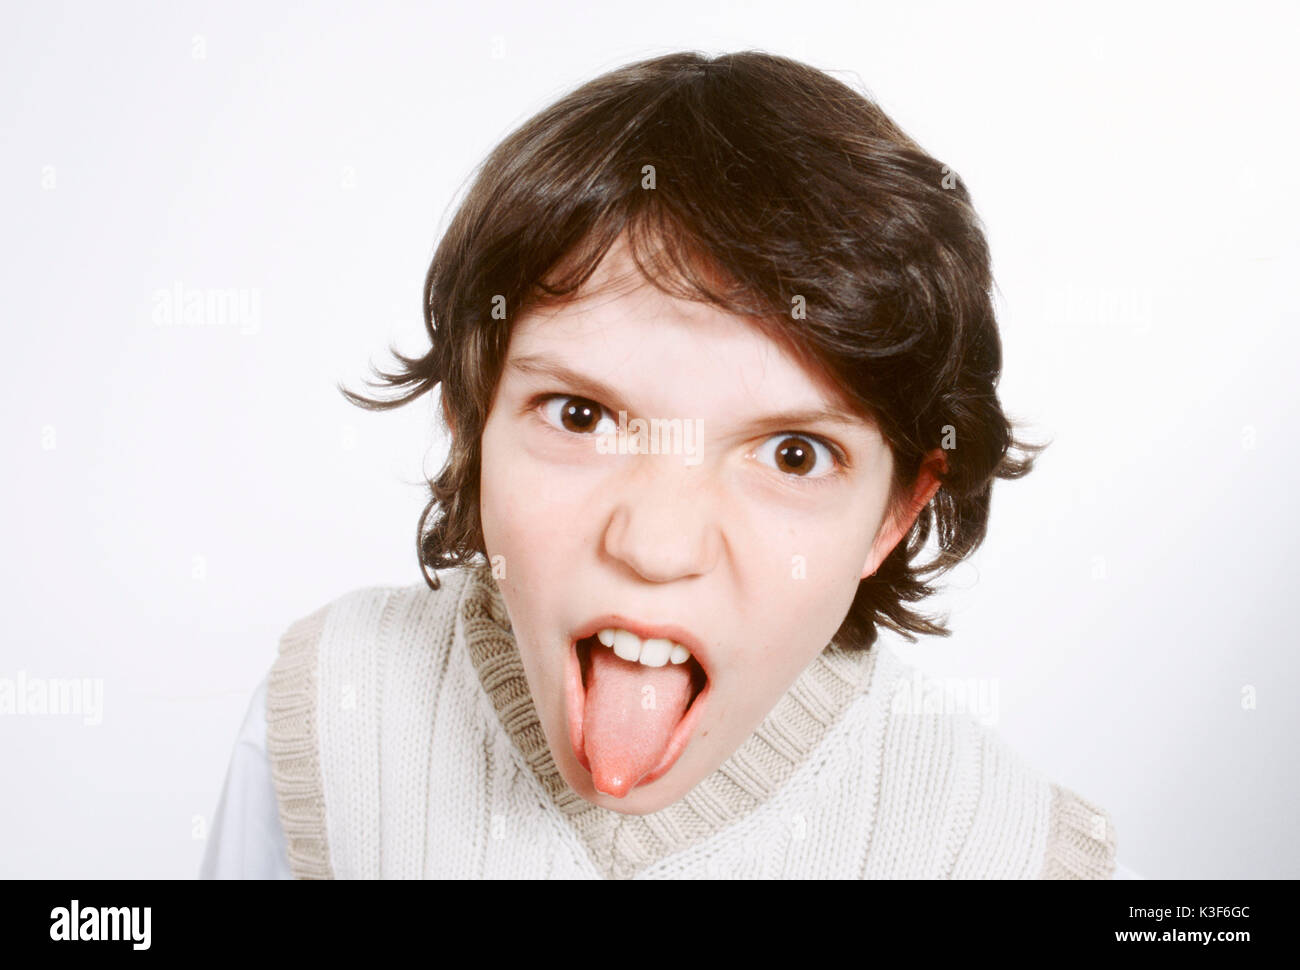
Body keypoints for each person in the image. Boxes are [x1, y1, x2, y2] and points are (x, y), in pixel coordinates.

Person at [201, 49, 1140, 879]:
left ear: (895, 512)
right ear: (470, 419)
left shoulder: (1006, 851)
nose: (656, 544)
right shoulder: (328, 712)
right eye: (580, 414)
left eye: (794, 453)